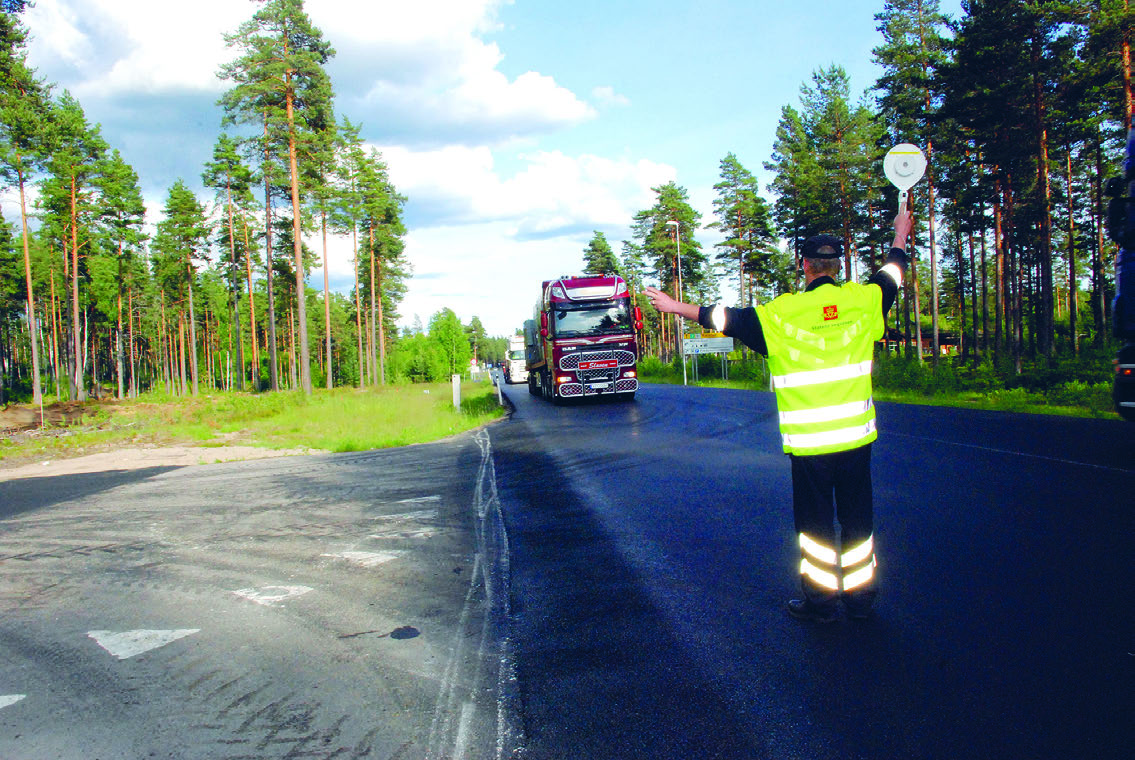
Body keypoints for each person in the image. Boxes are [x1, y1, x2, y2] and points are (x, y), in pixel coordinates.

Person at [644, 210, 913, 623]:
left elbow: (725, 318)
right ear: (836, 266)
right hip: (856, 441)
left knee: (816, 527)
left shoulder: (780, 316)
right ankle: (860, 600)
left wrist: (674, 305)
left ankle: (821, 604)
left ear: (805, 266)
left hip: (810, 447)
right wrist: (899, 234)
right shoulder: (864, 302)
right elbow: (891, 274)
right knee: (859, 522)